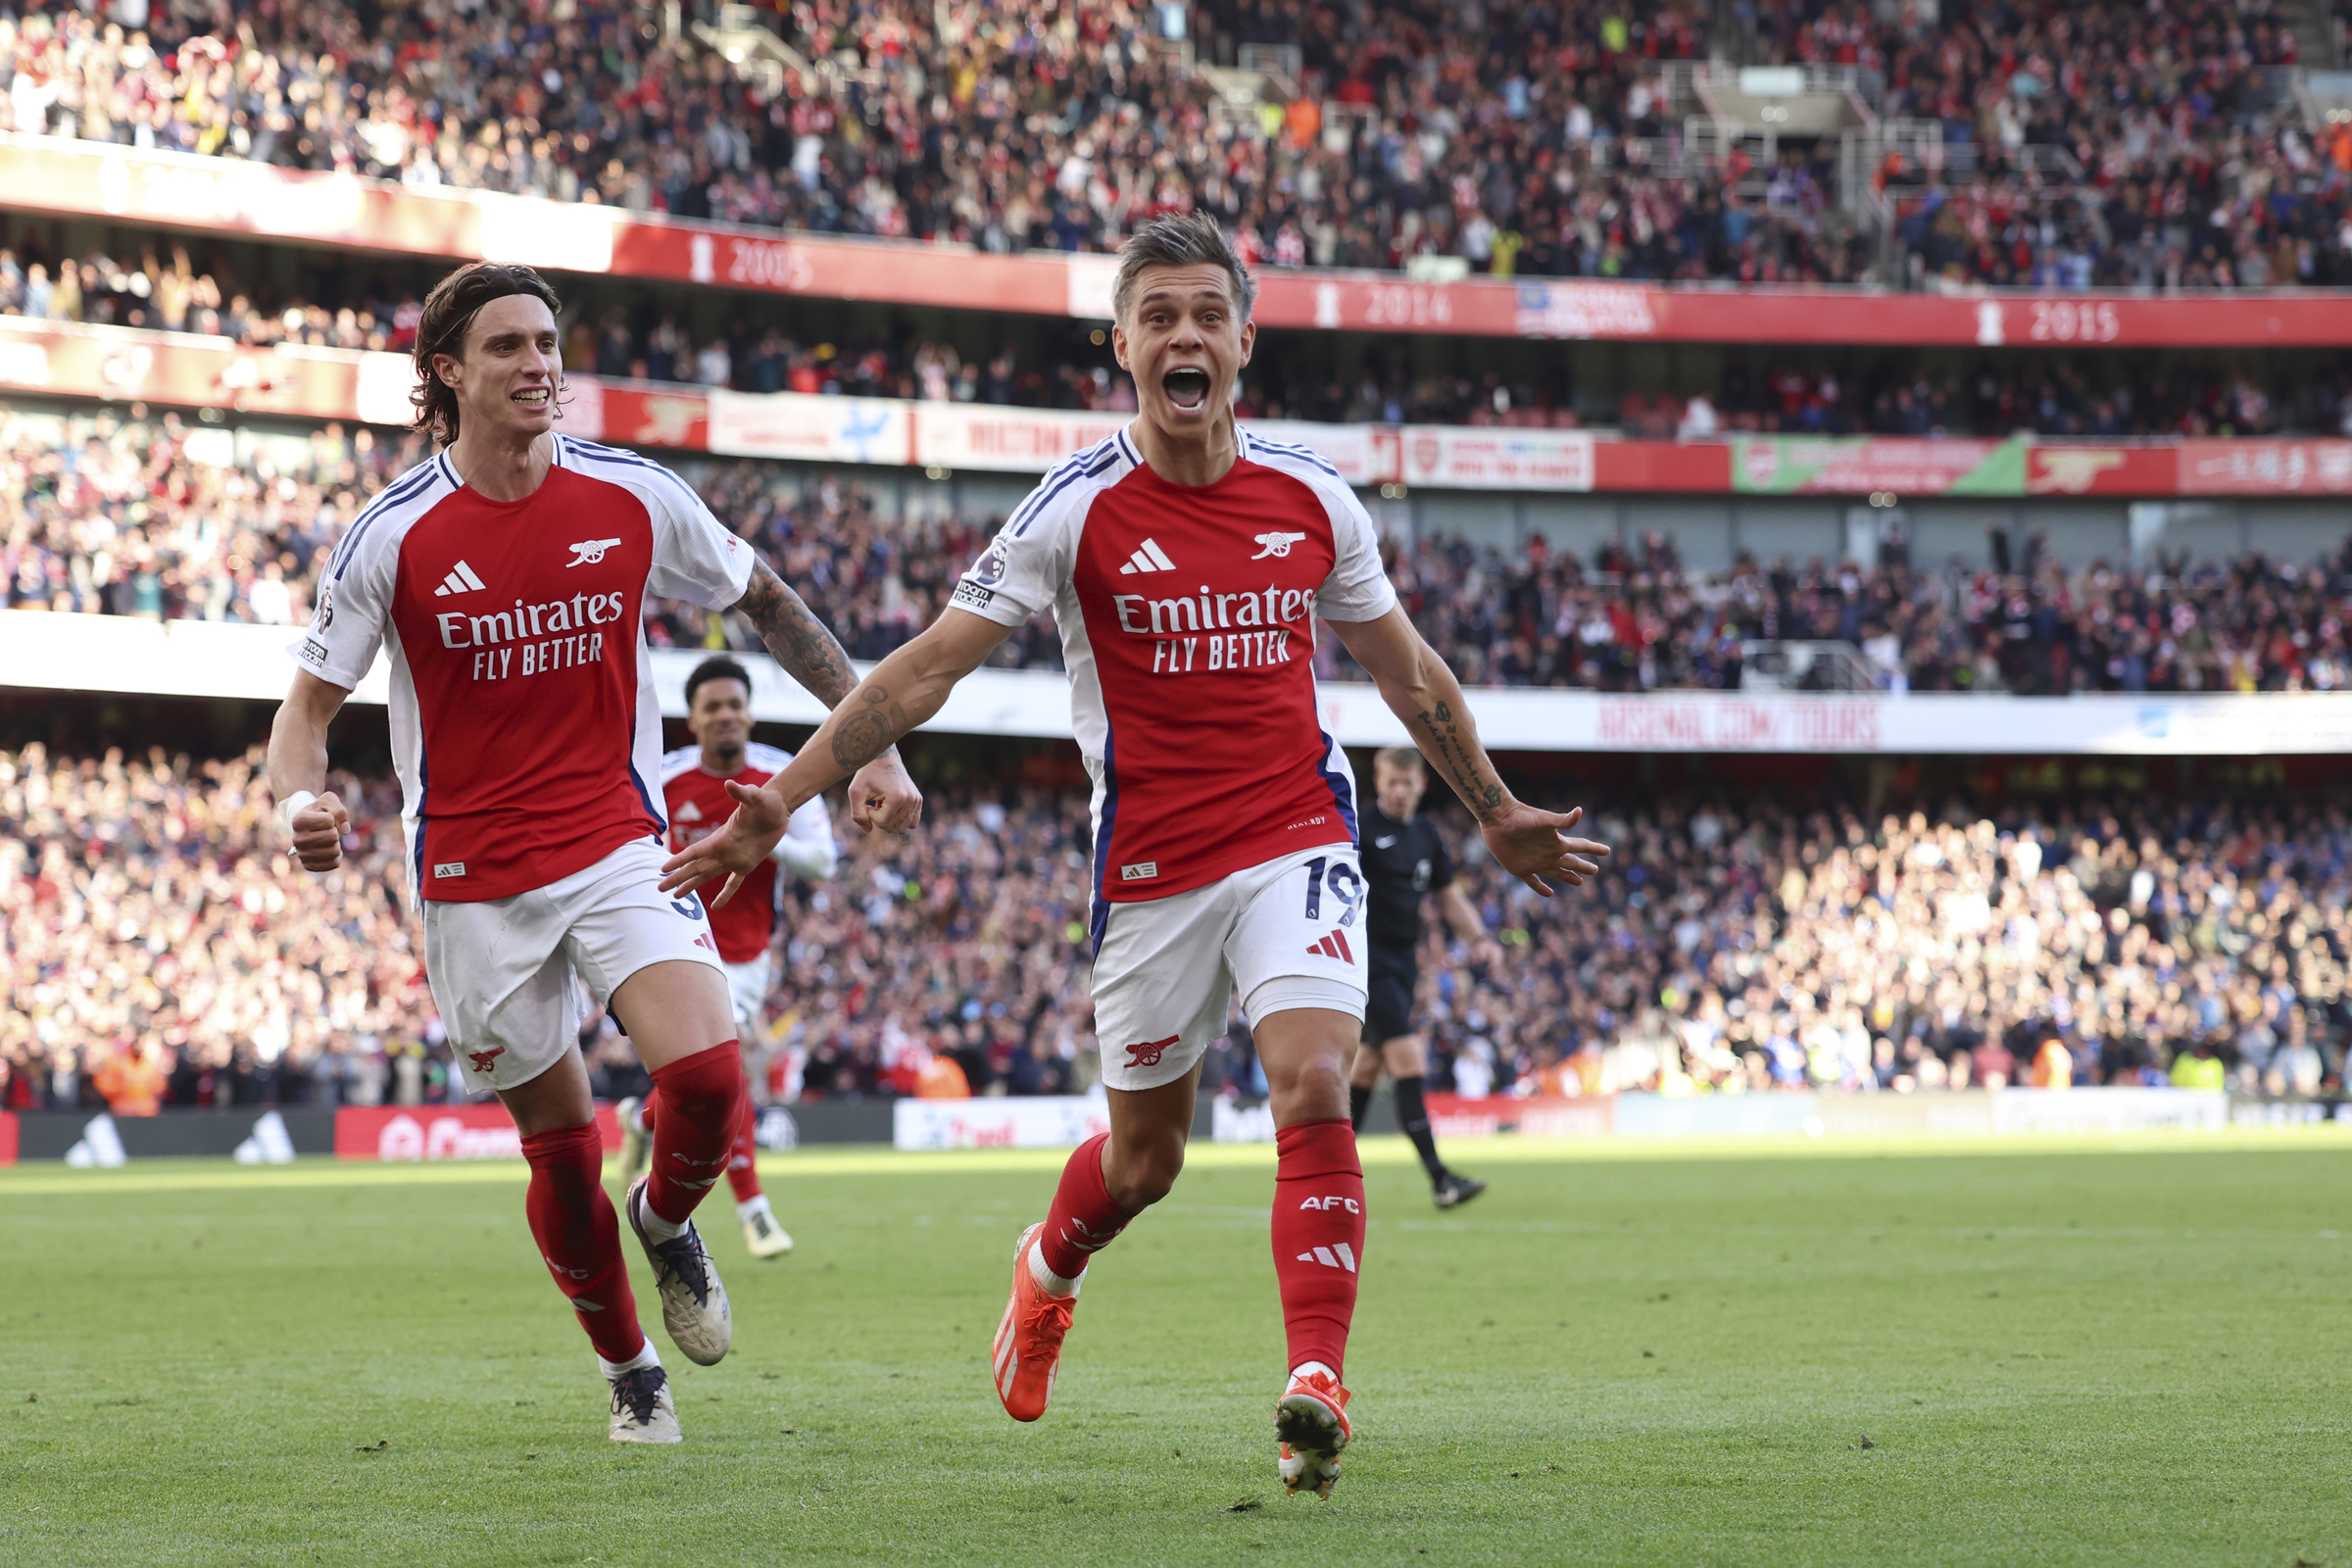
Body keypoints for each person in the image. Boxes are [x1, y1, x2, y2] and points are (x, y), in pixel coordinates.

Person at [660, 213, 1609, 1496]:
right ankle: (1048, 1270)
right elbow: (923, 671)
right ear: (1121, 345)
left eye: (1207, 315)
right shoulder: (1074, 512)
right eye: (1158, 316)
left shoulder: (1314, 502)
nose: (1184, 336)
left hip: (1298, 835)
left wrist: (1491, 806)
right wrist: (779, 799)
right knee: (1146, 1162)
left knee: (1317, 1081)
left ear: (1243, 343)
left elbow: (1411, 673)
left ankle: (1314, 1383)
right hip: (1152, 869)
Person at [266, 262, 920, 1445]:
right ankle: (631, 1374)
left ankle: (667, 1220)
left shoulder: (633, 494)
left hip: (620, 846)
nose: (538, 365)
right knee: (559, 1157)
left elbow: (766, 599)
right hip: (471, 881)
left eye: (550, 343)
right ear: (448, 373)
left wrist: (868, 743)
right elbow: (305, 715)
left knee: (711, 1078)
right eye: (509, 345)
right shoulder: (389, 538)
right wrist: (298, 807)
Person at [616, 655, 839, 1261]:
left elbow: (824, 861)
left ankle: (641, 1120)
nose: (725, 717)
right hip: (678, 944)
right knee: (728, 1070)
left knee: (703, 1078)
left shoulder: (781, 776)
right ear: (691, 719)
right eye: (712, 707)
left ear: (749, 713)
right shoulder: (662, 775)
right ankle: (754, 1211)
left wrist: (764, 834)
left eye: (734, 705)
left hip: (748, 953)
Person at [1348, 747, 1501, 1208]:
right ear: (1378, 783)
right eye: (1390, 782)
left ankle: (1318, 1172)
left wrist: (1479, 939)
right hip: (1364, 959)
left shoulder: (1424, 834)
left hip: (1402, 963)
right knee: (1408, 1060)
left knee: (1368, 1067)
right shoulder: (1359, 828)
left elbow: (1447, 896)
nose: (1398, 791)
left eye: (1406, 783)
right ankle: (1440, 1179)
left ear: (1420, 785)